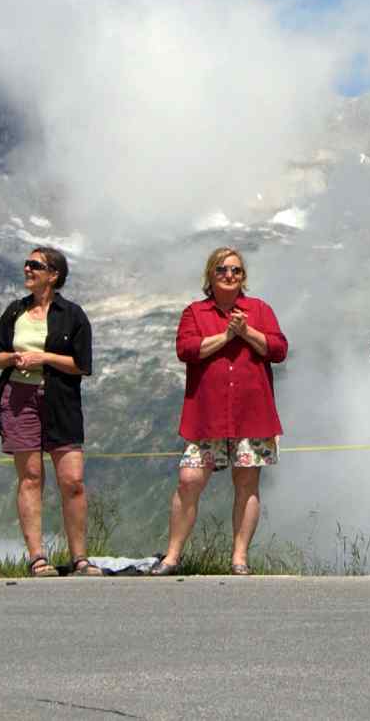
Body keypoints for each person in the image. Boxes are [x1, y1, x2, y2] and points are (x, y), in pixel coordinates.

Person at [151, 246, 288, 576]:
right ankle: (172, 556)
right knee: (189, 480)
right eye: (223, 270)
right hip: (206, 416)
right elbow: (186, 350)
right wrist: (226, 335)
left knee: (247, 484)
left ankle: (239, 557)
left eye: (236, 271)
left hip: (253, 414)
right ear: (210, 276)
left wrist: (247, 332)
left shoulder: (259, 309)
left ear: (243, 277)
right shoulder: (195, 312)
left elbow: (279, 349)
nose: (230, 276)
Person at [0, 246, 98, 577]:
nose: (27, 269)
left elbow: (82, 365)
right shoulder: (14, 312)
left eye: (34, 265)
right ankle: (37, 558)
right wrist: (12, 359)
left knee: (72, 480)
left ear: (54, 275)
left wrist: (44, 358)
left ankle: (80, 558)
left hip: (60, 399)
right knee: (30, 478)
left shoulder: (73, 315)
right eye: (26, 264)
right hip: (19, 397)